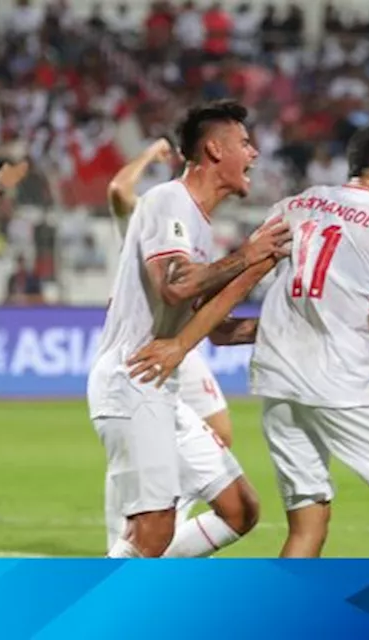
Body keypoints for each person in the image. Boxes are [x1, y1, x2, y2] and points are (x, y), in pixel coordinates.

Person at [127, 124, 369, 558]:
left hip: (278, 384)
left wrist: (185, 341)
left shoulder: (297, 205)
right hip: (341, 382)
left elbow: (242, 277)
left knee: (307, 522)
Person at [88, 100, 291, 558]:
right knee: (153, 529)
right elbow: (176, 287)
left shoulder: (198, 224)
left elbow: (215, 330)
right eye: (244, 143)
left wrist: (291, 324)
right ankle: (107, 605)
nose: (254, 153)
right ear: (215, 150)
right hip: (132, 380)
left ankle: (131, 581)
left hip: (161, 386)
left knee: (240, 509)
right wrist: (248, 255)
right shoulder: (168, 200)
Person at [101, 135, 246, 550]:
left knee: (217, 441)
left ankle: (151, 536)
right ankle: (139, 537)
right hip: (152, 342)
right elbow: (117, 190)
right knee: (208, 432)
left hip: (176, 339)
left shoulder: (191, 222)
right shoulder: (154, 209)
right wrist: (148, 152)